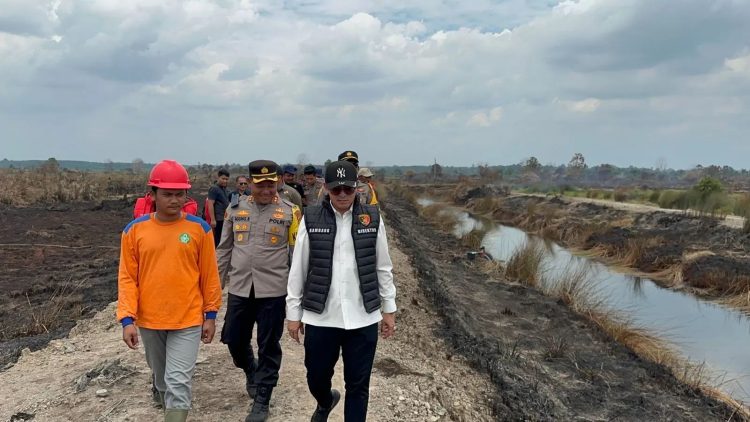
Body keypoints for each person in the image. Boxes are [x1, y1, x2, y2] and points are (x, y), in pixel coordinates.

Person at [287, 160, 397, 422]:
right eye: (337, 190)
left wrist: (389, 308)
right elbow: (298, 269)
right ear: (326, 188)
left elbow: (383, 266)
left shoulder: (371, 219)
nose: (343, 195)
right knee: (316, 376)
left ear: (357, 188)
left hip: (363, 317)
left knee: (358, 386)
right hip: (321, 316)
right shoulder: (311, 219)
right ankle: (325, 401)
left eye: (348, 189)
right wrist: (293, 312)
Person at [117, 160, 222, 422]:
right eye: (167, 194)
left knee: (177, 381)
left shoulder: (199, 229)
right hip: (151, 320)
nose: (174, 200)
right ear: (152, 195)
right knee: (163, 380)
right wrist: (127, 319)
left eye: (179, 194)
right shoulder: (135, 231)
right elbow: (128, 278)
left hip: (187, 319)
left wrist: (210, 314)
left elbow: (210, 276)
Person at [217, 160, 301, 422]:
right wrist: (214, 287)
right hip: (241, 288)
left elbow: (296, 256)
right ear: (250, 184)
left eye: (270, 184)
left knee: (268, 345)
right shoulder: (235, 209)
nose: (266, 190)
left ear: (277, 183)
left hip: (273, 292)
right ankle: (250, 369)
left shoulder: (290, 212)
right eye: (260, 185)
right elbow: (224, 249)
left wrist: (298, 298)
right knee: (233, 339)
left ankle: (263, 398)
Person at [207, 168, 230, 247]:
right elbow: (210, 204)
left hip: (225, 218)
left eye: (226, 179)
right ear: (218, 177)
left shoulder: (225, 189)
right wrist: (213, 220)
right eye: (223, 179)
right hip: (218, 219)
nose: (225, 181)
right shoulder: (214, 189)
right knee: (217, 240)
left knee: (223, 238)